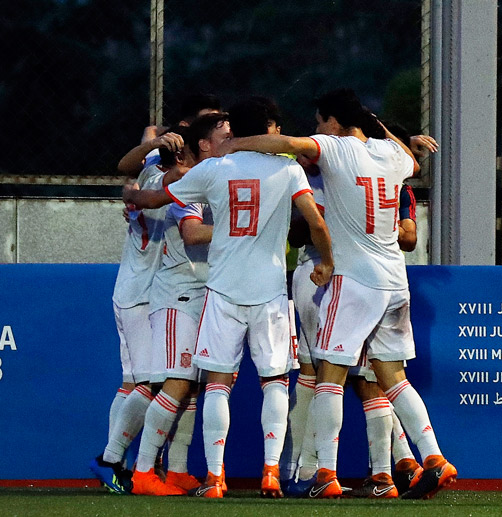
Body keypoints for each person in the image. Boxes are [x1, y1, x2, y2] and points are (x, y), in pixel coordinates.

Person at [222, 88, 456, 500]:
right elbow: (411, 160)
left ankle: (324, 475)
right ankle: (434, 457)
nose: (316, 128)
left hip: (354, 279)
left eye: (319, 120)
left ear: (333, 122)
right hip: (394, 282)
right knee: (393, 378)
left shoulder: (335, 149)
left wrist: (237, 142)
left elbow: (289, 144)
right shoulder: (395, 156)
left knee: (328, 377)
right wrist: (373, 119)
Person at [123, 97, 333, 499]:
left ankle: (215, 478)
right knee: (275, 381)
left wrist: (133, 194)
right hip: (269, 290)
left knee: (217, 385)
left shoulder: (214, 170)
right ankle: (271, 472)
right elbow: (315, 220)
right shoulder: (287, 168)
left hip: (222, 290)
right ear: (267, 128)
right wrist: (329, 260)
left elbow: (156, 198)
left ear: (234, 130)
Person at [130, 112, 230, 496]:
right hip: (179, 295)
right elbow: (191, 233)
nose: (233, 138)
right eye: (226, 133)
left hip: (205, 293)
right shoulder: (189, 180)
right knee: (175, 384)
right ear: (202, 145)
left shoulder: (212, 177)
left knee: (192, 388)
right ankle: (141, 472)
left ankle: (176, 471)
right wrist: (244, 227)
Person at [90, 126, 182, 494]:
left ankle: (118, 464)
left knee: (133, 382)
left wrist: (152, 140)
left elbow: (127, 164)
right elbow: (137, 171)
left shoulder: (148, 172)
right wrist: (156, 143)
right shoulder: (164, 183)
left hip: (133, 287)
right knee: (149, 383)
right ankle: (110, 459)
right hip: (143, 293)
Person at [118, 93, 222, 177]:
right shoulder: (165, 155)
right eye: (205, 123)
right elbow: (126, 168)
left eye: (216, 122)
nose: (212, 128)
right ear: (184, 126)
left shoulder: (226, 150)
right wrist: (150, 145)